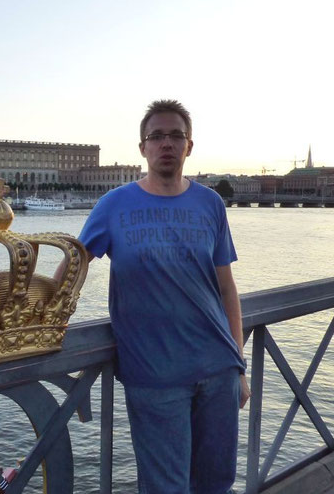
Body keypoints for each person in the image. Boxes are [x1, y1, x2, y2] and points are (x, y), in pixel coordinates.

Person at [77, 100, 250, 493]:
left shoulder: (210, 204)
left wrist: (238, 365)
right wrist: (47, 316)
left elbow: (226, 288)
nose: (166, 144)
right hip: (155, 378)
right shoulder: (113, 206)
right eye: (157, 136)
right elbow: (74, 266)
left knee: (216, 483)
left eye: (176, 135)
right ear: (143, 148)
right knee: (165, 487)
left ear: (189, 146)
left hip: (218, 369)